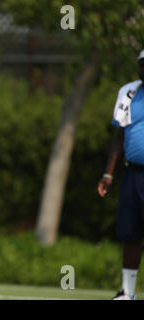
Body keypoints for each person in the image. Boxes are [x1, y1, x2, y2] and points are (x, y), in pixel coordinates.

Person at [97, 49, 144, 300]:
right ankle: (127, 292)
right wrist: (108, 174)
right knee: (131, 233)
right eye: (143, 64)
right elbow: (119, 135)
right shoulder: (129, 92)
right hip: (133, 174)